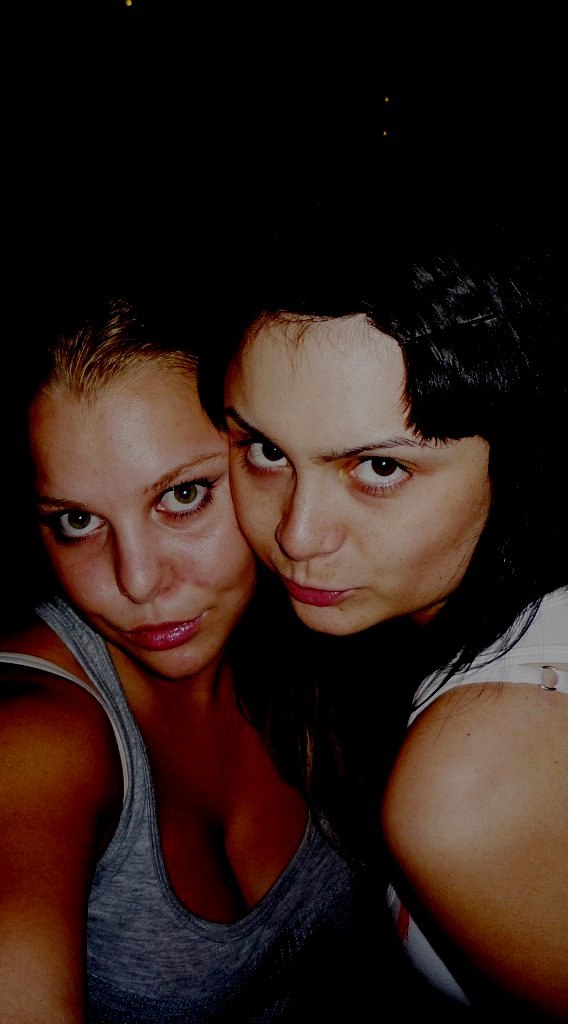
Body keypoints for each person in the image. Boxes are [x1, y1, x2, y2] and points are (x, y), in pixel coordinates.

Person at [0, 292, 399, 1023]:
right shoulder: (33, 740)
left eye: (183, 495)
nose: (137, 581)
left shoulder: (326, 629)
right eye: (77, 521)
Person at [198, 241, 568, 1019]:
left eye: (380, 468)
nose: (297, 535)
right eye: (264, 450)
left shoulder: (468, 791)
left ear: (520, 452)